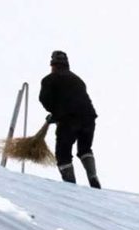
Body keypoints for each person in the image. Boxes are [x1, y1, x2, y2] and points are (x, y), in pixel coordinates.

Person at [39, 50, 101, 188]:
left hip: (69, 120)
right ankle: (93, 177)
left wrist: (54, 114)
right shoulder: (78, 80)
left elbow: (45, 100)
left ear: (53, 65)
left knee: (63, 153)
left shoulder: (49, 79)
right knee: (85, 149)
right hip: (88, 118)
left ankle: (70, 186)